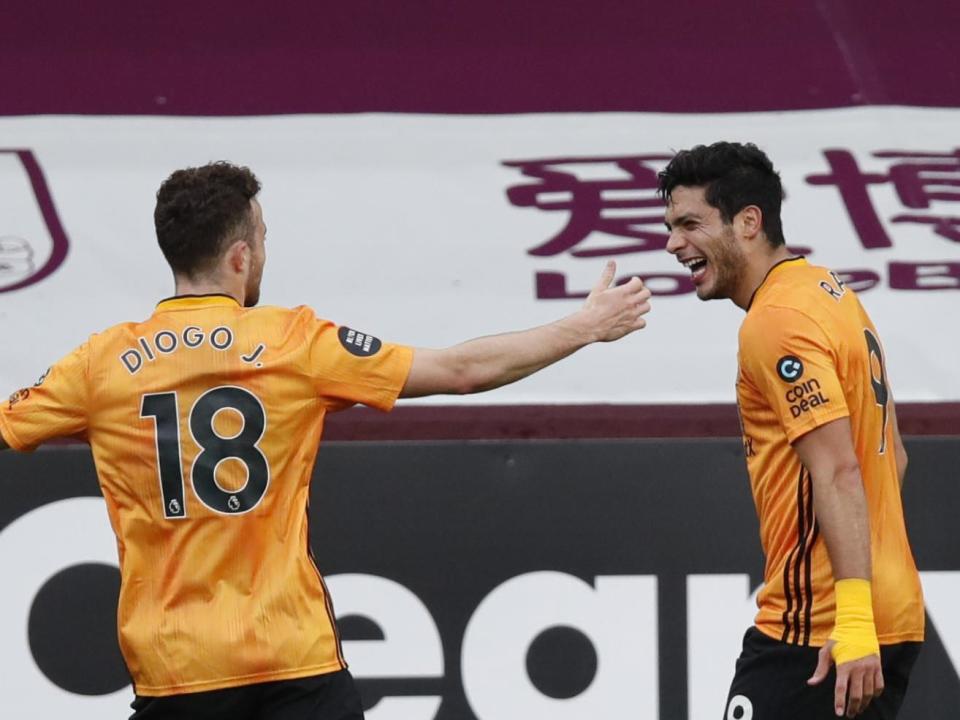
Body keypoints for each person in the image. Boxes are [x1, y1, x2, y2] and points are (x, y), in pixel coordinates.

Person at [0, 161, 651, 720]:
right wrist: (584, 326)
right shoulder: (293, 343)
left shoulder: (100, 364)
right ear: (240, 255)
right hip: (292, 661)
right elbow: (460, 370)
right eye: (262, 236)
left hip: (176, 668)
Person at [657, 142, 924, 719]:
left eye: (689, 224)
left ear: (748, 222)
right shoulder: (832, 294)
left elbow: (836, 467)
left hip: (818, 630)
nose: (673, 243)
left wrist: (849, 615)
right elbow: (893, 455)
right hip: (887, 613)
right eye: (671, 227)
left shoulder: (774, 321)